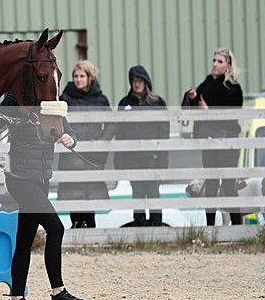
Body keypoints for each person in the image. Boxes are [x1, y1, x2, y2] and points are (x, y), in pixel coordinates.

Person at [0, 94, 86, 300]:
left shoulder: (50, 103)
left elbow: (69, 132)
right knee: (56, 228)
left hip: (42, 179)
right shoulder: (14, 102)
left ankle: (16, 299)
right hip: (21, 179)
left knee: (24, 240)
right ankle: (58, 293)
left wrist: (70, 139)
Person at [182, 47, 244, 225]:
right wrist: (192, 96)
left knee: (228, 183)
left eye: (220, 61)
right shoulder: (208, 82)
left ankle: (237, 226)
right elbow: (196, 103)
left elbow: (233, 113)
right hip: (208, 139)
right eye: (214, 60)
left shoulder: (234, 88)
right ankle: (210, 227)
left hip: (227, 140)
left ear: (228, 65)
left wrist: (209, 111)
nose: (215, 64)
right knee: (211, 183)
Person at [57, 61, 113, 228]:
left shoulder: (101, 100)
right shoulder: (65, 99)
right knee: (74, 199)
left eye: (82, 76)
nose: (78, 79)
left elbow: (112, 123)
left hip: (92, 157)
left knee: (91, 200)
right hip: (71, 157)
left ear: (90, 78)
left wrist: (101, 142)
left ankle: (90, 233)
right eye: (75, 76)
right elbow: (57, 120)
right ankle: (76, 231)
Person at [115, 65, 169, 226]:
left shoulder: (157, 103)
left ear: (146, 82)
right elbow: (119, 133)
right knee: (137, 194)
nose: (137, 84)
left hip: (152, 157)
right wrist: (119, 160)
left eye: (140, 80)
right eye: (134, 81)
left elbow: (164, 133)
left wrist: (162, 159)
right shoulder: (124, 103)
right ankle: (139, 229)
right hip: (132, 158)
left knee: (153, 193)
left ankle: (156, 228)